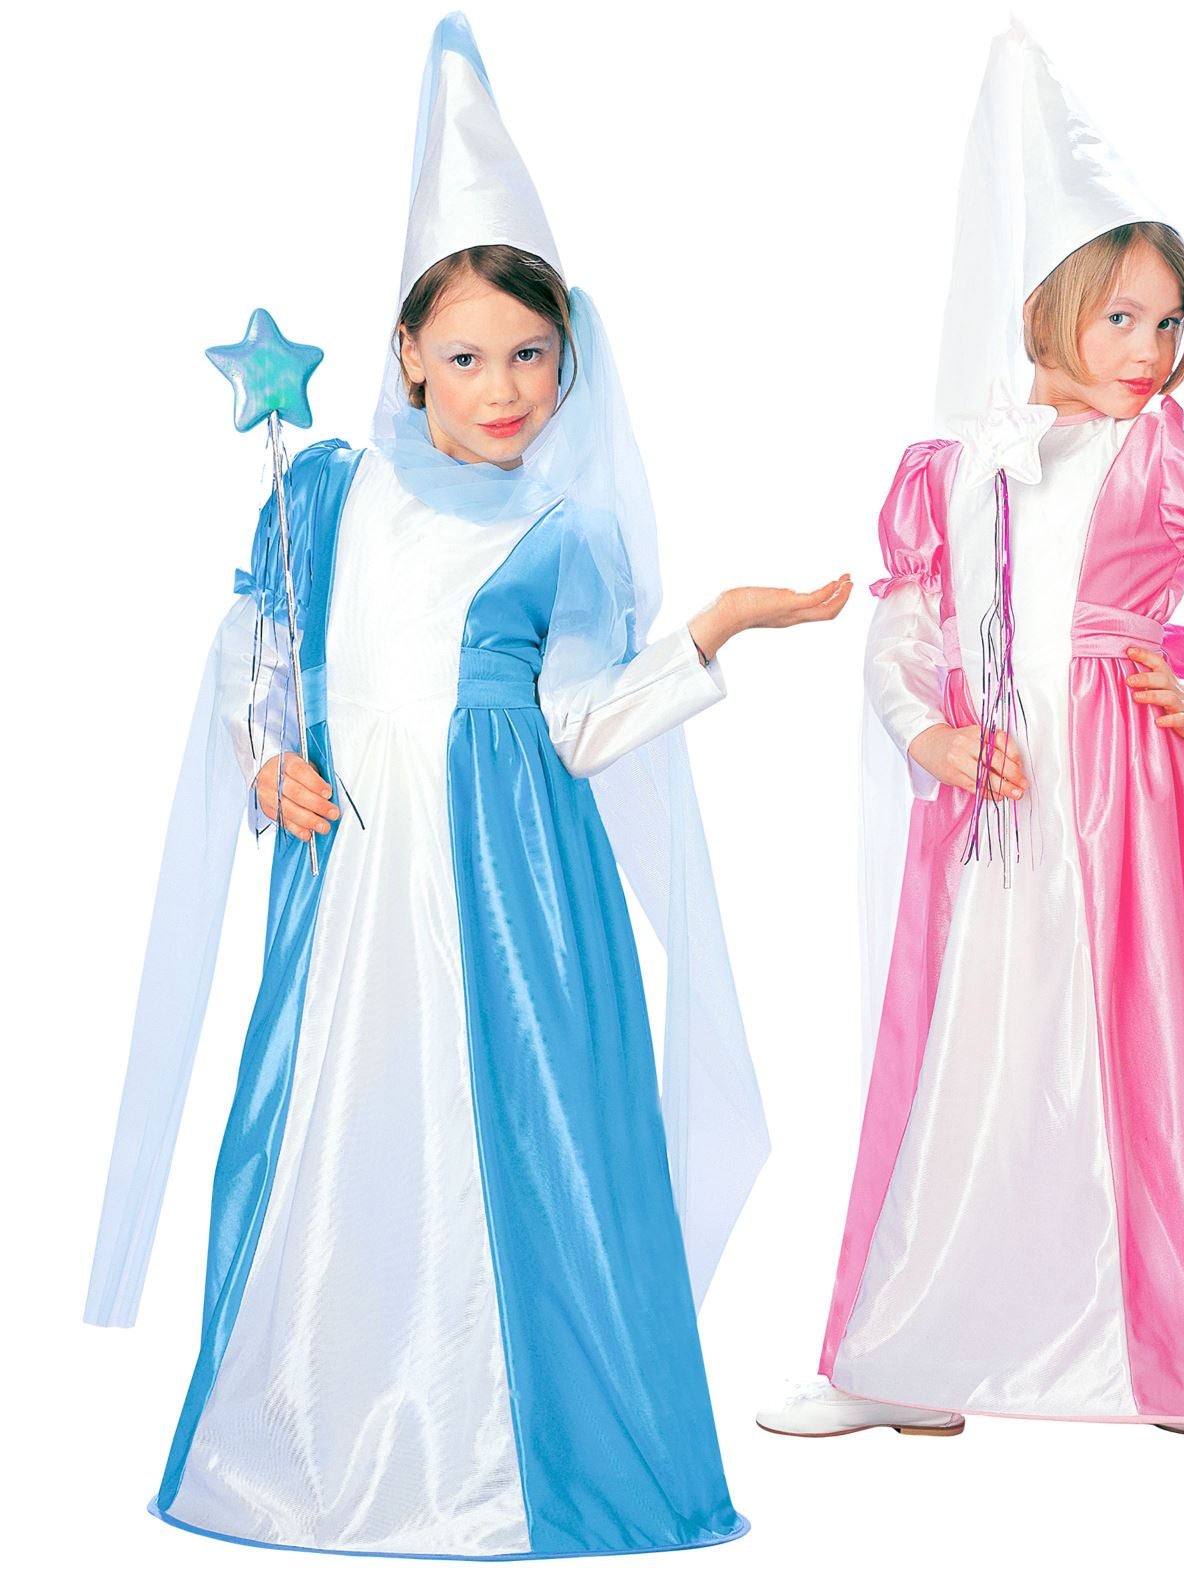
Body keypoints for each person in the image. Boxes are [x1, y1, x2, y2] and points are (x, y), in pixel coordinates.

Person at [86, 14, 849, 1558]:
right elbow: (262, 654)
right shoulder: (323, 491)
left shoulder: (562, 535)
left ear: (568, 363)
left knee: (505, 1146)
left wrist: (712, 631)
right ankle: (325, 1436)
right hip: (356, 875)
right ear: (404, 358)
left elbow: (580, 727)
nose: (501, 387)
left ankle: (506, 1454)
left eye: (529, 356)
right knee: (339, 1129)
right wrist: (269, 758)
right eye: (466, 356)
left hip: (509, 891)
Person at [759, 22, 1184, 1441]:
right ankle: (923, 1351)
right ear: (1042, 310)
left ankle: (1183, 1345)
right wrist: (922, 733)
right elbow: (906, 627)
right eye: (1120, 320)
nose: (1149, 352)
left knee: (1145, 1046)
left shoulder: (1170, 450)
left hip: (1131, 799)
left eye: (1169, 323)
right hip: (996, 798)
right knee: (979, 1055)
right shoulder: (951, 462)